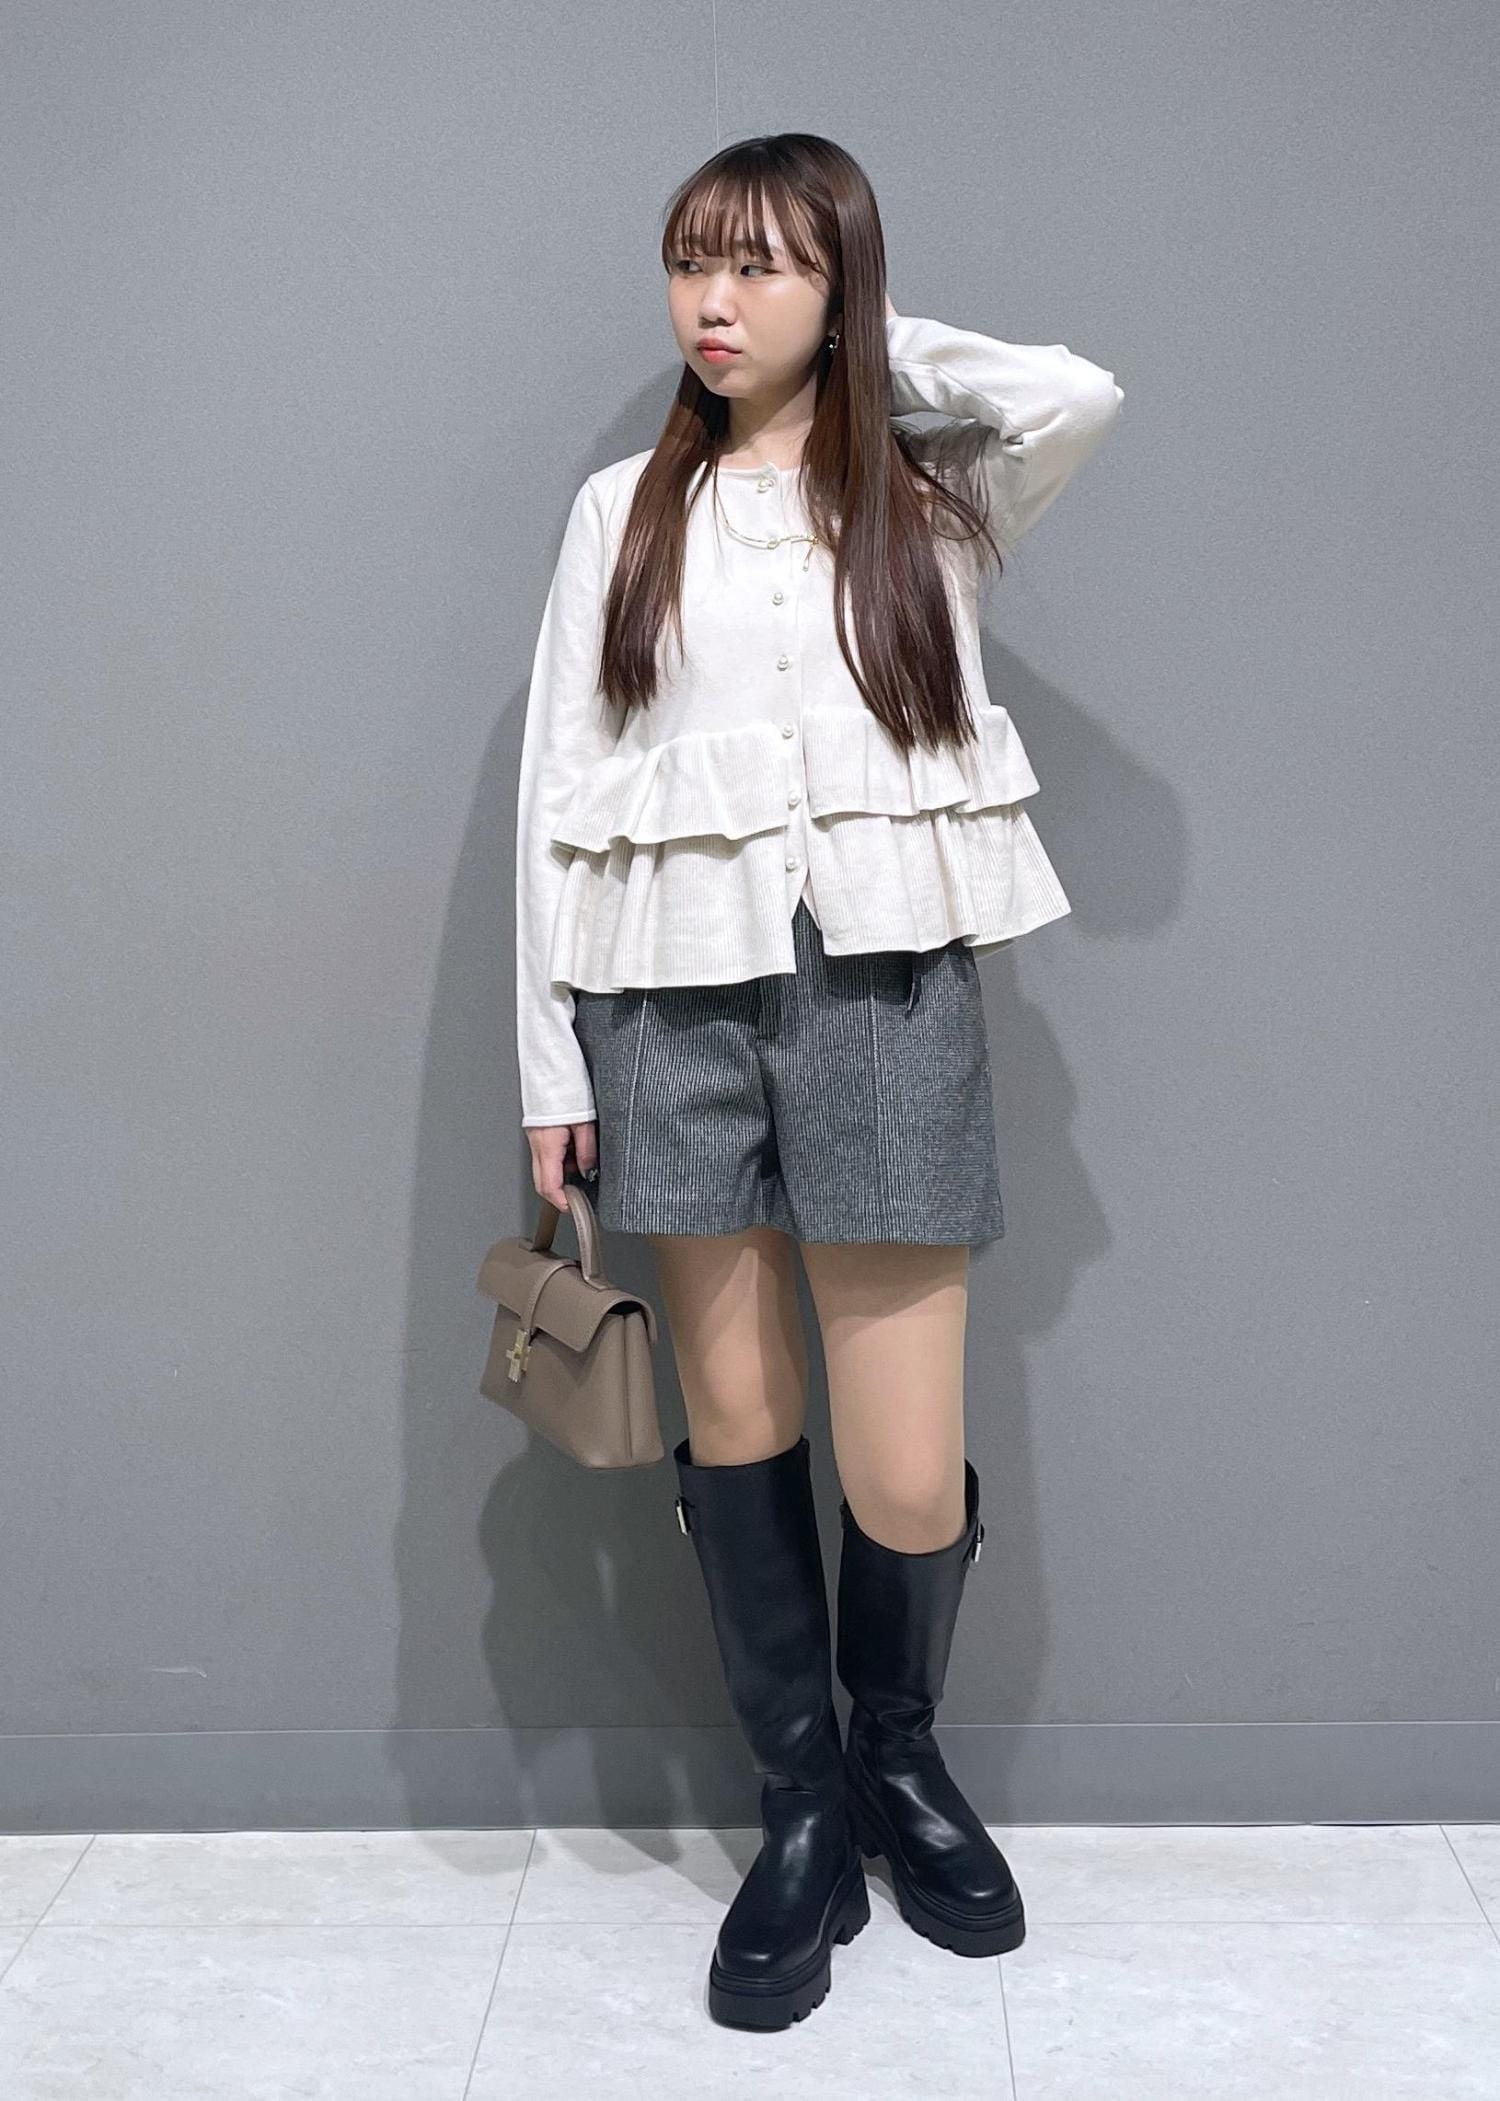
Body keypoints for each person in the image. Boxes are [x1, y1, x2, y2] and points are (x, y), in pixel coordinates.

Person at [513, 133, 1123, 2030]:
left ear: (841, 286)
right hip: (667, 1005)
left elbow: (1078, 393)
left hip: (884, 990)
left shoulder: (931, 496)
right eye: (692, 262)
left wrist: (874, 342)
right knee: (737, 1423)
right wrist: (548, 1061)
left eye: (765, 266)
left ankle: (896, 1760)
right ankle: (799, 1803)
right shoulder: (620, 509)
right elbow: (556, 792)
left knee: (900, 1460)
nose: (712, 302)